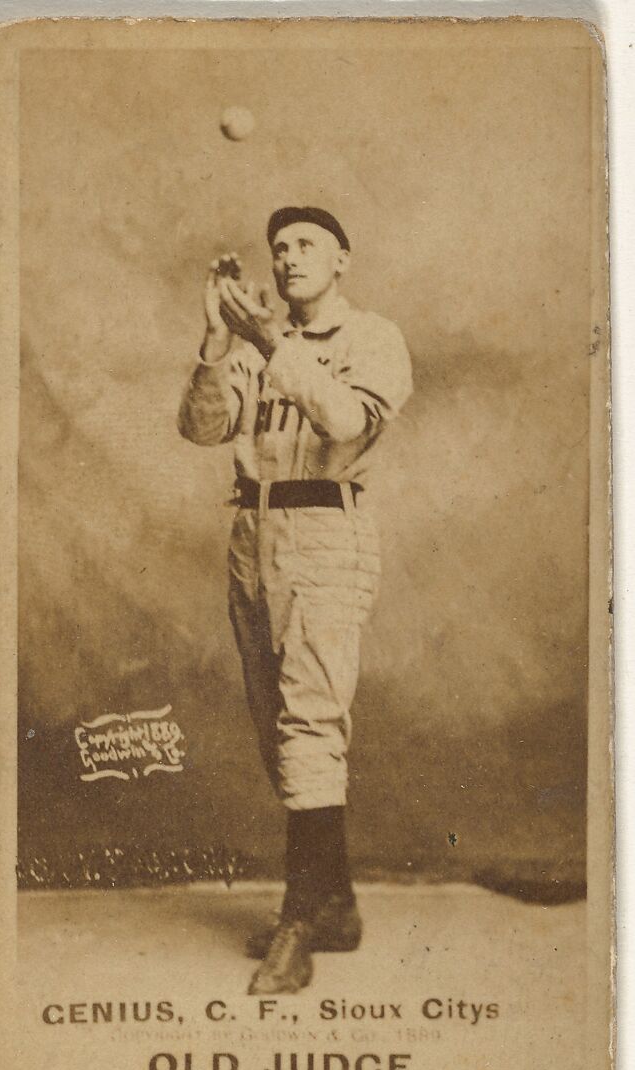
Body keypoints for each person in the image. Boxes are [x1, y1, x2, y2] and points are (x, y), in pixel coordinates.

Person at [178, 206, 412, 995]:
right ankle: (336, 902)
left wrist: (270, 341)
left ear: (342, 260)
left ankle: (299, 922)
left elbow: (344, 423)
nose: (288, 258)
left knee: (311, 721)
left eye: (307, 245)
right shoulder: (252, 343)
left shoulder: (371, 337)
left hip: (325, 527)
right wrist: (218, 340)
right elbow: (202, 427)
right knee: (276, 725)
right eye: (279, 248)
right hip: (253, 529)